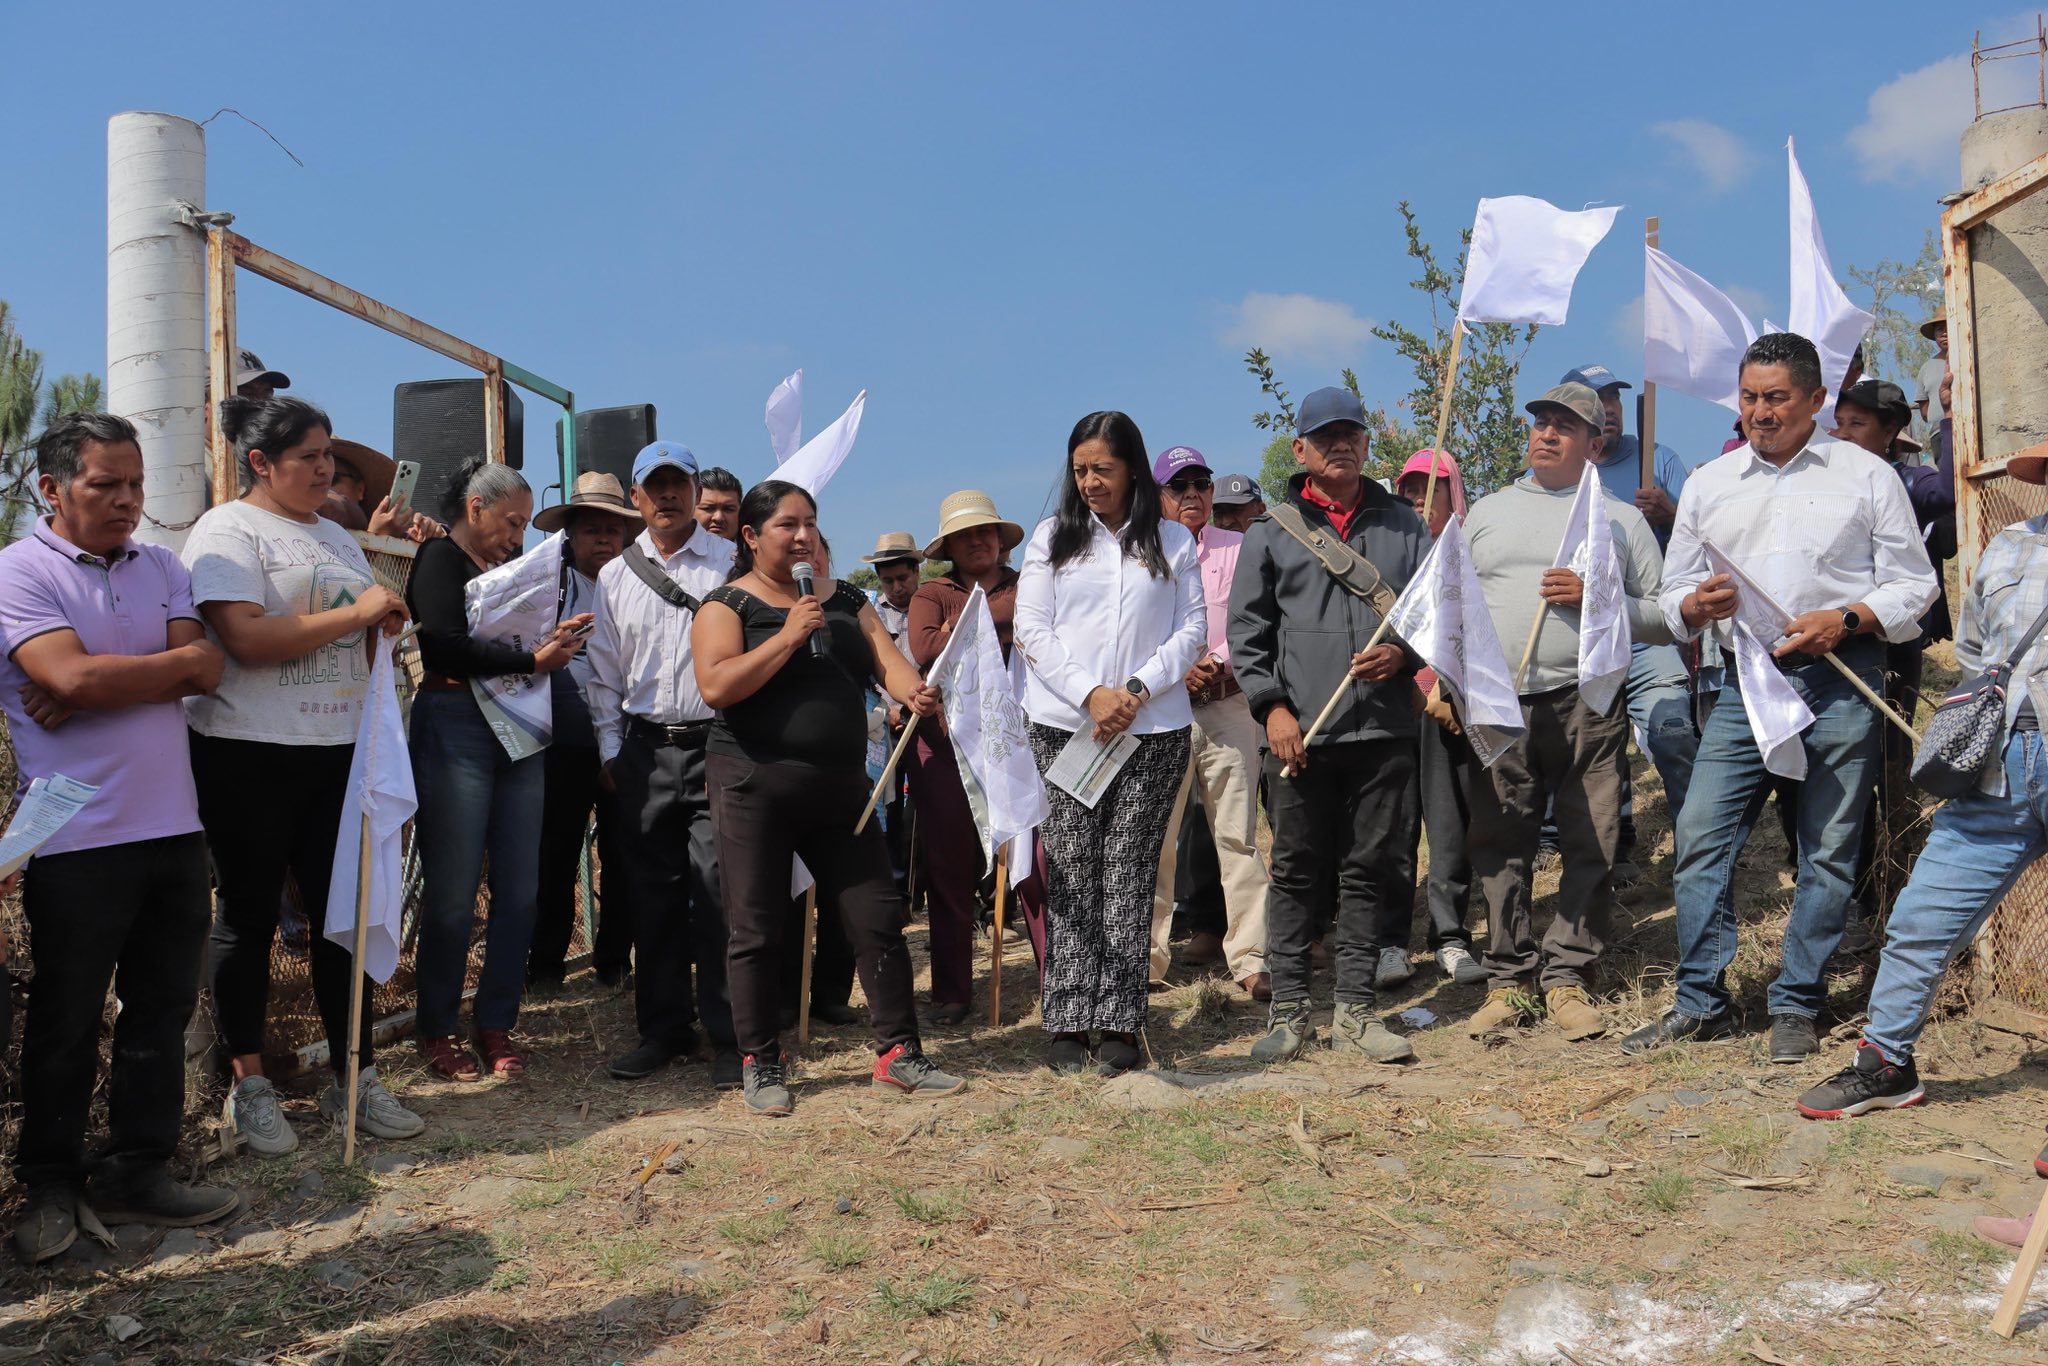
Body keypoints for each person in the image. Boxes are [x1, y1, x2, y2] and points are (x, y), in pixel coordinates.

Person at [1625, 333, 1938, 1061]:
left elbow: (1914, 584)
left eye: (1777, 399)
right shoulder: (1710, 482)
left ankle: (1798, 1000)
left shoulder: (1865, 475)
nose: (1761, 413)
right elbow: (1674, 593)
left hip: (1843, 678)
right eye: (1749, 398)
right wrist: (1695, 606)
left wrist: (1849, 618)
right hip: (1746, 684)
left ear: (1816, 400)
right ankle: (1701, 1001)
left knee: (1827, 848)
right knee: (1701, 837)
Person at [2, 412, 237, 1264]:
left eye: (135, 484)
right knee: (66, 1018)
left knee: (162, 1010)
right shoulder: (17, 573)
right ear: (53, 488)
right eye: (106, 485)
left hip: (174, 827)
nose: (128, 501)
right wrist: (127, 675)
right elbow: (67, 676)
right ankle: (50, 1183)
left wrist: (105, 681)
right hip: (75, 836)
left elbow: (206, 666)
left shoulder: (163, 566)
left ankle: (140, 1166)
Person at [184, 395, 423, 1156]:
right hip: (248, 749)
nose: (326, 470)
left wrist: (383, 624)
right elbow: (246, 640)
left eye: (330, 457)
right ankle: (250, 1085)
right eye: (310, 457)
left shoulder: (339, 539)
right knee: (249, 918)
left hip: (337, 751)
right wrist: (357, 617)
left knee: (341, 919)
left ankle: (356, 1077)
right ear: (260, 463)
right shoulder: (227, 530)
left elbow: (357, 639)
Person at [1793, 443, 2048, 1129]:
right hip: (1997, 765)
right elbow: (1973, 652)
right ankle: (1886, 1064)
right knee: (1919, 920)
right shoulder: (2007, 550)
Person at [694, 479, 965, 1115]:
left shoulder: (844, 597)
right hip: (751, 782)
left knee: (877, 915)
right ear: (752, 536)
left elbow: (886, 659)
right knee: (755, 928)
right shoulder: (725, 605)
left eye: (810, 523)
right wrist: (788, 635)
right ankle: (760, 1060)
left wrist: (912, 692)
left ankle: (900, 1054)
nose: (803, 536)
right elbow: (716, 686)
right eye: (787, 525)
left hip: (843, 786)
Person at [1461, 384, 1671, 1042]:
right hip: (1500, 702)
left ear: (1595, 444)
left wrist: (1597, 600)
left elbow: (1666, 618)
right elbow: (1453, 611)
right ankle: (1506, 979)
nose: (1547, 434)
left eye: (1565, 426)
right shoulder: (1487, 513)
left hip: (1589, 700)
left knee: (1592, 838)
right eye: (1541, 422)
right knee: (1500, 839)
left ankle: (1566, 976)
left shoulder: (1618, 520)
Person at [1227, 387, 1429, 1064]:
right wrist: (1273, 708)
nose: (1342, 444)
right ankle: (1288, 1013)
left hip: (1383, 729)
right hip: (1300, 736)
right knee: (1294, 872)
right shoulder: (1269, 531)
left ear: (1368, 443)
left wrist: (1404, 654)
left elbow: (1438, 621)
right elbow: (1248, 635)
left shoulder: (1406, 525)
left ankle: (1356, 1013)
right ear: (1301, 450)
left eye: (1353, 433)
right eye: (1327, 435)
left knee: (1370, 870)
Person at [1016, 411, 1204, 1075]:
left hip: (1152, 727)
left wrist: (1134, 689)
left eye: (1103, 468)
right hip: (1066, 725)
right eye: (1079, 470)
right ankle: (1067, 1020)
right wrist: (1090, 695)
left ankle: (1120, 1021)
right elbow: (1032, 631)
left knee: (1128, 873)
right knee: (1070, 869)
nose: (1090, 481)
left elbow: (1191, 632)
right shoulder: (1051, 539)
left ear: (1131, 468)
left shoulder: (1175, 540)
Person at [407, 456, 591, 1080]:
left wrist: (553, 645)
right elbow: (442, 643)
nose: (517, 537)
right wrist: (534, 662)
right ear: (474, 507)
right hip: (456, 718)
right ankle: (436, 1028)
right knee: (454, 893)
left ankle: (495, 1022)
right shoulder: (437, 559)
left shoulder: (509, 572)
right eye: (511, 522)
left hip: (518, 722)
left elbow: (511, 647)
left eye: (523, 527)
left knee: (521, 889)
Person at [584, 443, 740, 1083]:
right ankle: (663, 1031)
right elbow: (602, 675)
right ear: (637, 499)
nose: (669, 496)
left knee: (721, 893)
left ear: (694, 489)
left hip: (720, 745)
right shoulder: (616, 576)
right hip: (645, 748)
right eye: (657, 486)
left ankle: (734, 1037)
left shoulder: (734, 562)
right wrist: (611, 751)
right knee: (652, 898)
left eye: (679, 484)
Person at [904, 491, 1048, 1024]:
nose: (979, 540)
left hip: (1021, 743)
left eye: (985, 531)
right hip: (945, 747)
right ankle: (952, 991)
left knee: (1034, 866)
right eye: (966, 535)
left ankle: (1056, 977)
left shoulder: (1029, 583)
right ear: (950, 548)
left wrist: (962, 628)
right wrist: (993, 621)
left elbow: (1038, 628)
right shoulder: (931, 591)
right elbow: (925, 650)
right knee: (950, 869)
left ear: (1000, 539)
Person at [1557, 364, 1700, 859]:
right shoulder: (1560, 474)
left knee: (1673, 731)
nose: (1610, 407)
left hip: (1645, 634)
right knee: (1597, 752)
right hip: (1582, 640)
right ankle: (1616, 851)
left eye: (1614, 397)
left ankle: (1699, 846)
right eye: (1597, 399)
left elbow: (1704, 538)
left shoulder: (1656, 459)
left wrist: (1671, 514)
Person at [1144, 446, 1271, 1002]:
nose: (1192, 494)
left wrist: (1217, 661)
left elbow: (1260, 618)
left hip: (1227, 703)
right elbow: (1132, 626)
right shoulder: (1140, 552)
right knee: (1155, 838)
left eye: (1201, 483)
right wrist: (1179, 666)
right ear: (1158, 497)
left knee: (1238, 835)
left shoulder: (1243, 547)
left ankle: (1252, 957)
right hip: (1161, 708)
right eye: (1179, 486)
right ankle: (1145, 960)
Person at [527, 472, 643, 991]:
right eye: (591, 529)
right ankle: (546, 965)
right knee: (554, 855)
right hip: (563, 744)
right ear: (569, 535)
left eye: (612, 530)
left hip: (628, 741)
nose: (603, 539)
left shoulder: (642, 585)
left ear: (626, 537)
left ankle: (614, 961)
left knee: (623, 855)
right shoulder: (543, 589)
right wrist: (551, 641)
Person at [1389, 449, 1485, 986]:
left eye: (1432, 487)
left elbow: (1477, 636)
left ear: (1455, 493)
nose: (1419, 500)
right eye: (1409, 489)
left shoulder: (1471, 551)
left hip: (1449, 708)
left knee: (1449, 828)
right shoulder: (1392, 551)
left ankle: (1450, 936)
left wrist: (1450, 694)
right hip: (1399, 706)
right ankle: (1390, 942)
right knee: (1395, 828)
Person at [1914, 308, 1948, 428]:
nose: (1944, 333)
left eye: (1948, 327)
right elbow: (1924, 408)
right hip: (1937, 432)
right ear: (1935, 335)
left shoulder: (1968, 361)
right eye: (1940, 329)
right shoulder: (1926, 368)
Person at [695, 466, 742, 541]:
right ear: (690, 511)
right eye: (708, 508)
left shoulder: (761, 552)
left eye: (728, 509)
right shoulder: (672, 552)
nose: (718, 518)